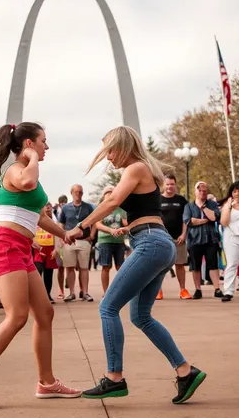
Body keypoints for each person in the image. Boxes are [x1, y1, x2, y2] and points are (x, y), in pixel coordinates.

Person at [66, 126, 206, 403]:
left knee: (107, 307)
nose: (108, 158)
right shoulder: (139, 170)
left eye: (110, 151)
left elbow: (113, 202)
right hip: (157, 243)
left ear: (122, 147)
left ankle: (114, 378)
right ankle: (185, 371)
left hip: (151, 242)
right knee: (140, 316)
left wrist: (81, 226)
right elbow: (113, 200)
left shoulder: (136, 167)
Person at [0, 122, 81, 409]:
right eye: (43, 142)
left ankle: (47, 382)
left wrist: (63, 233)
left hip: (21, 247)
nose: (46, 147)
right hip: (4, 245)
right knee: (16, 317)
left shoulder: (28, 173)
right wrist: (33, 157)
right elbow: (26, 182)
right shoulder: (16, 170)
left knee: (45, 313)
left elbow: (37, 216)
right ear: (28, 143)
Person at [183, 181, 223, 300]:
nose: (202, 193)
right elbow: (188, 221)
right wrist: (204, 220)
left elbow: (215, 217)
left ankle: (217, 289)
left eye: (204, 190)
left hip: (211, 239)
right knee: (196, 266)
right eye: (199, 190)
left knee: (213, 264)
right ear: (195, 192)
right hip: (194, 240)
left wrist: (204, 208)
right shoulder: (188, 206)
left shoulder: (212, 204)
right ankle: (198, 289)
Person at [60, 185, 94, 302]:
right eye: (76, 192)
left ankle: (85, 292)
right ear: (71, 193)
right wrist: (62, 237)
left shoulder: (88, 207)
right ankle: (71, 293)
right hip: (69, 241)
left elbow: (94, 221)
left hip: (84, 240)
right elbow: (61, 224)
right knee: (69, 267)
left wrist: (91, 235)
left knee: (84, 268)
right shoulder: (65, 208)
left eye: (80, 192)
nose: (78, 194)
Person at [160, 175, 191, 300]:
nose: (169, 187)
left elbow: (186, 219)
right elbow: (156, 218)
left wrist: (183, 234)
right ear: (163, 185)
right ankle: (158, 290)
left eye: (172, 184)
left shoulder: (181, 200)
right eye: (167, 184)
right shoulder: (157, 199)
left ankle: (183, 290)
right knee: (160, 266)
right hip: (162, 238)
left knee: (180, 265)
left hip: (179, 238)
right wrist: (161, 234)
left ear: (175, 185)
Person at [96, 186, 127, 296]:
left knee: (120, 266)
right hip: (105, 240)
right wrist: (110, 230)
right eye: (107, 194)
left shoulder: (121, 209)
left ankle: (122, 290)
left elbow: (125, 223)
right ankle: (106, 292)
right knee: (106, 266)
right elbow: (97, 224)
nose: (109, 196)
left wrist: (125, 227)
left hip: (118, 241)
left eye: (112, 193)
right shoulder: (101, 208)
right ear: (104, 196)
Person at [34, 202, 59, 304]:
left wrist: (56, 249)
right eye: (45, 207)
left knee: (48, 275)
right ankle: (37, 296)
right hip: (38, 250)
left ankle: (47, 295)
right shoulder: (35, 221)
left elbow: (57, 236)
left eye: (50, 207)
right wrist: (37, 247)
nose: (48, 209)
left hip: (50, 250)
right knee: (37, 273)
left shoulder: (54, 223)